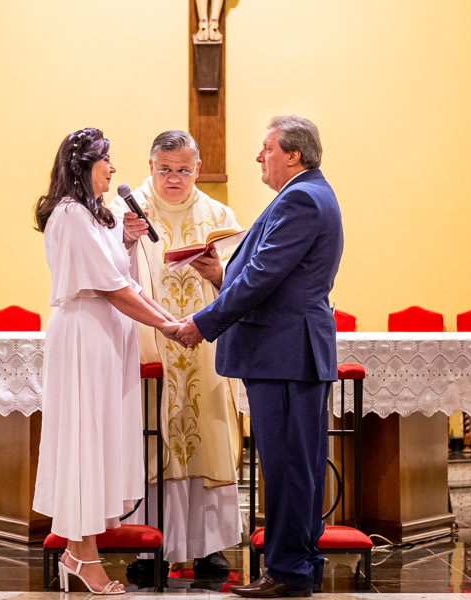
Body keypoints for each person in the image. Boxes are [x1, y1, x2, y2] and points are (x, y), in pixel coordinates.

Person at [176, 115, 343, 598]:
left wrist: (201, 323)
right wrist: (222, 273)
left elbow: (262, 280)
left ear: (293, 154)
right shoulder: (309, 194)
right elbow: (271, 276)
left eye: (267, 148)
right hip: (285, 349)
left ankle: (289, 572)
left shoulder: (300, 199)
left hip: (284, 351)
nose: (259, 157)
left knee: (289, 466)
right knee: (296, 463)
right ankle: (300, 566)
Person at [32, 127, 184, 595]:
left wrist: (127, 242)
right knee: (84, 441)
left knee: (98, 442)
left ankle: (81, 551)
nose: (114, 169)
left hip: (104, 338)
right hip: (85, 336)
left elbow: (122, 279)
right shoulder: (71, 214)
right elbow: (113, 289)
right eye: (106, 159)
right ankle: (82, 556)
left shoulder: (93, 216)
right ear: (83, 165)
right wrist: (170, 327)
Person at [109, 130, 243, 579]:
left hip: (206, 351)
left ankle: (210, 548)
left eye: (183, 170)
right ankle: (151, 549)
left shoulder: (219, 215)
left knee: (208, 435)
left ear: (197, 169)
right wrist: (125, 242)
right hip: (150, 349)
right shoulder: (127, 213)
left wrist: (219, 272)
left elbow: (243, 287)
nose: (173, 178)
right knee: (153, 440)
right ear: (150, 166)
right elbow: (106, 275)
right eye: (164, 169)